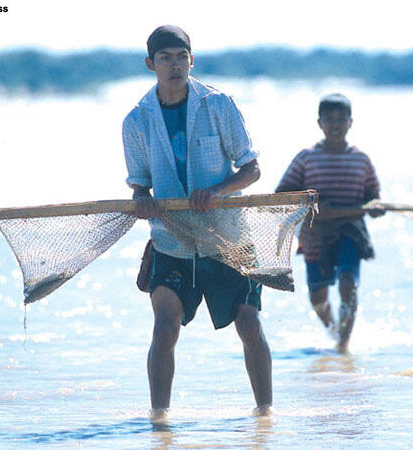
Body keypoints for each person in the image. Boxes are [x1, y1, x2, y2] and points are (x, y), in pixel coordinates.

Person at [122, 25, 272, 418]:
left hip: (227, 240)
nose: (174, 65)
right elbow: (140, 186)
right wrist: (143, 201)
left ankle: (265, 416)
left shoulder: (219, 105)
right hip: (171, 243)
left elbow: (252, 170)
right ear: (150, 64)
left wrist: (217, 192)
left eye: (180, 57)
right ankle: (159, 421)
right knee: (164, 328)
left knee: (249, 324)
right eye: (165, 58)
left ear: (192, 59)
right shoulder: (137, 121)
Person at [275, 93, 383, 353]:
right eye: (329, 120)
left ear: (350, 122)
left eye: (341, 119)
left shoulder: (361, 160)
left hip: (351, 232)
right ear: (319, 123)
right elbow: (282, 193)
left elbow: (373, 195)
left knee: (348, 283)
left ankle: (343, 345)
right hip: (315, 234)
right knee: (318, 296)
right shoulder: (307, 158)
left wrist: (376, 206)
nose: (335, 124)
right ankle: (334, 329)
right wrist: (311, 203)